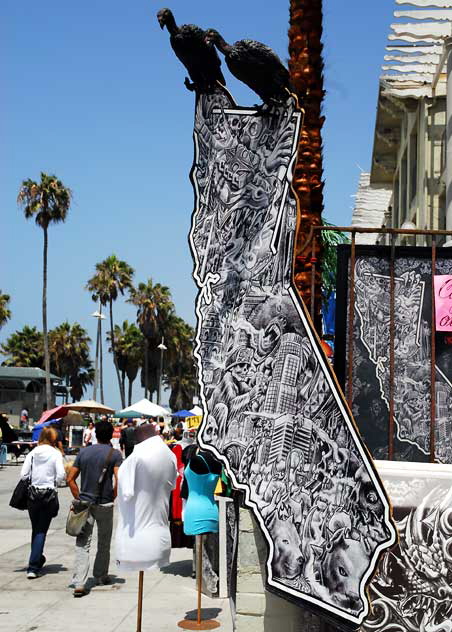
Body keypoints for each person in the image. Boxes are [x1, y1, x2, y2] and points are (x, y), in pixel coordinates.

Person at [67, 420, 122, 597]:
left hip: (85, 503)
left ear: (96, 434)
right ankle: (101, 575)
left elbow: (70, 479)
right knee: (104, 541)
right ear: (111, 435)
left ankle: (79, 583)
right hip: (105, 503)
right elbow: (119, 479)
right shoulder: (115, 454)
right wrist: (113, 494)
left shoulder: (83, 452)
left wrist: (79, 496)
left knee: (83, 543)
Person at [21, 426, 65, 579]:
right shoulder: (55, 454)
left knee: (36, 529)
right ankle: (33, 566)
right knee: (41, 530)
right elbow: (60, 475)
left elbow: (23, 474)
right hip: (48, 495)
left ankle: (38, 559)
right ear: (53, 438)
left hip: (33, 495)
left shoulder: (33, 453)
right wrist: (54, 482)